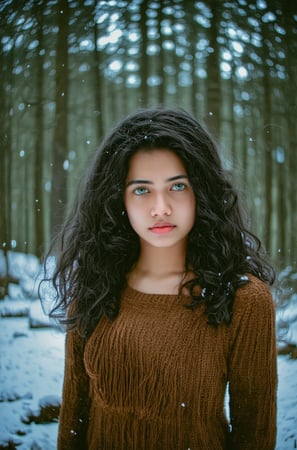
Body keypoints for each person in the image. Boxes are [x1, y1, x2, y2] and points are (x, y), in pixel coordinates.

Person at [43, 107, 277, 449]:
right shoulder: (96, 287)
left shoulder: (243, 300)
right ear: (118, 198)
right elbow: (74, 424)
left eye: (177, 186)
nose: (161, 207)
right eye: (142, 190)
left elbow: (254, 436)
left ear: (202, 191)